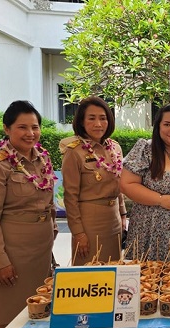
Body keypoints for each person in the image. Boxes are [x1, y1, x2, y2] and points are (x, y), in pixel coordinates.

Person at [0, 100, 57, 328]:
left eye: (35, 127)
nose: (30, 133)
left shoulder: (43, 160)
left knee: (40, 310)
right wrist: (0, 261)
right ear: (6, 128)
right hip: (12, 250)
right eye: (22, 127)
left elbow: (49, 203)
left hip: (41, 248)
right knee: (10, 312)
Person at [120, 104, 170, 262]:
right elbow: (126, 184)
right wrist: (160, 199)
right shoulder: (145, 149)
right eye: (167, 124)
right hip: (149, 227)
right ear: (158, 126)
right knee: (148, 279)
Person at [60, 96, 127, 265]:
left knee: (113, 272)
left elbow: (118, 185)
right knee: (90, 275)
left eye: (103, 118)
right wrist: (78, 233)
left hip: (114, 221)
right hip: (89, 223)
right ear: (82, 121)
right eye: (91, 118)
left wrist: (123, 214)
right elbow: (70, 196)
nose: (98, 124)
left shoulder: (115, 148)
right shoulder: (74, 152)